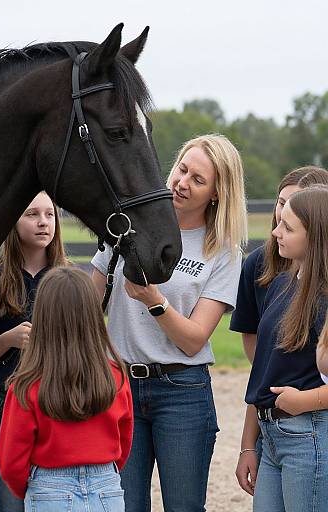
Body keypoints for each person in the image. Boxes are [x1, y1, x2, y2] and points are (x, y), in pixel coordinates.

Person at [91, 134, 247, 512]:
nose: (181, 182)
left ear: (216, 193)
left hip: (182, 391)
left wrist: (154, 301)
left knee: (184, 506)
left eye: (198, 179)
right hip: (121, 386)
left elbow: (194, 340)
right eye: (182, 169)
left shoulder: (222, 250)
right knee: (124, 506)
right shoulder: (127, 225)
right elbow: (90, 303)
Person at [0, 267, 133, 511]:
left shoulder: (26, 385)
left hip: (49, 488)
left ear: (43, 316)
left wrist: (33, 489)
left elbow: (10, 460)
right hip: (107, 488)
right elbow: (124, 441)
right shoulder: (116, 376)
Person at [231, 167, 328, 493]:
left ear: (314, 236)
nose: (275, 232)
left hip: (308, 434)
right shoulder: (281, 285)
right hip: (270, 434)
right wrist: (248, 444)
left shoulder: (324, 300)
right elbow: (263, 372)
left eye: (288, 227)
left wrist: (304, 400)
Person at [0, 191, 68, 512]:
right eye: (32, 214)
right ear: (12, 220)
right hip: (6, 404)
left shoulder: (69, 280)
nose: (43, 222)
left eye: (50, 215)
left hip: (59, 405)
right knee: (11, 506)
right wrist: (8, 340)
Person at [231, 166, 328, 362]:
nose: (284, 212)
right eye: (282, 203)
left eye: (294, 205)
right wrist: (268, 377)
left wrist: (312, 393)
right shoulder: (258, 263)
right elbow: (250, 332)